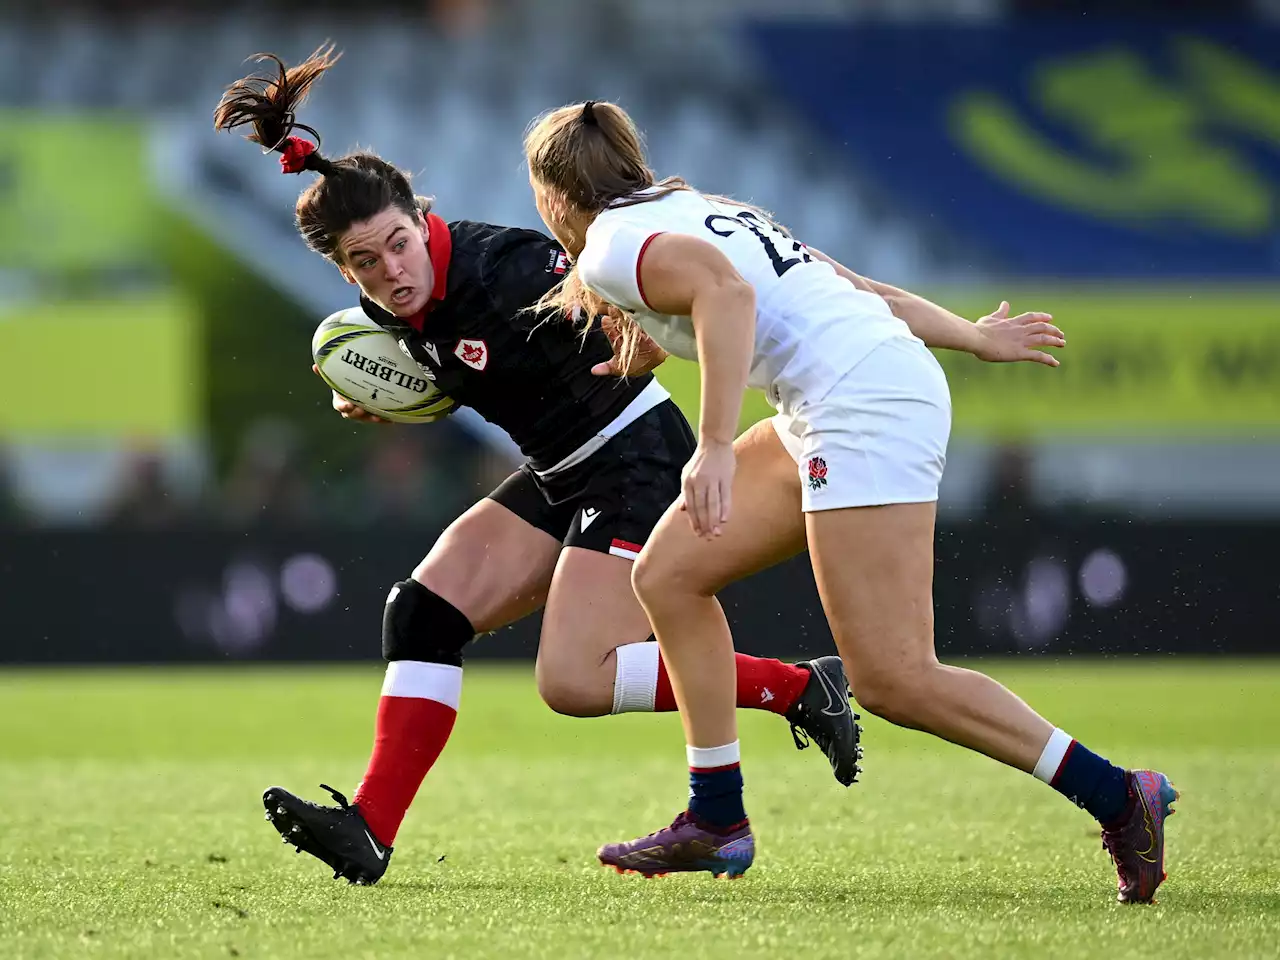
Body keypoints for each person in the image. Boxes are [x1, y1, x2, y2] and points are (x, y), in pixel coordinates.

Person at [212, 48, 863, 886]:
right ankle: (369, 829)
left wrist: (633, 338)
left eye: (398, 245)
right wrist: (405, 396)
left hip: (634, 458)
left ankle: (795, 688)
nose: (391, 272)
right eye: (362, 264)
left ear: (421, 217)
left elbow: (631, 303)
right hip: (562, 470)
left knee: (573, 681)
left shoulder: (505, 265)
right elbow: (483, 364)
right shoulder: (398, 310)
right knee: (422, 614)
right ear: (341, 271)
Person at [523, 100, 1177, 903]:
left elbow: (725, 298)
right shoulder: (699, 207)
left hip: (860, 406)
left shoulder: (608, 249)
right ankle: (717, 816)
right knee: (667, 577)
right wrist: (970, 336)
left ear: (552, 195)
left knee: (896, 679)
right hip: (843, 393)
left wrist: (717, 444)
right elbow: (852, 287)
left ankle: (1119, 795)